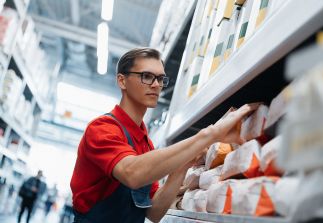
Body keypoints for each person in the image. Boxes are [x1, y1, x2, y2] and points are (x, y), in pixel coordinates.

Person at [70, 48, 259, 223]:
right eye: (146, 76)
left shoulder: (146, 144)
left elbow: (154, 212)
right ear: (122, 80)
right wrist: (210, 134)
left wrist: (182, 166)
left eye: (160, 79)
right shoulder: (103, 128)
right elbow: (132, 174)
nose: (156, 85)